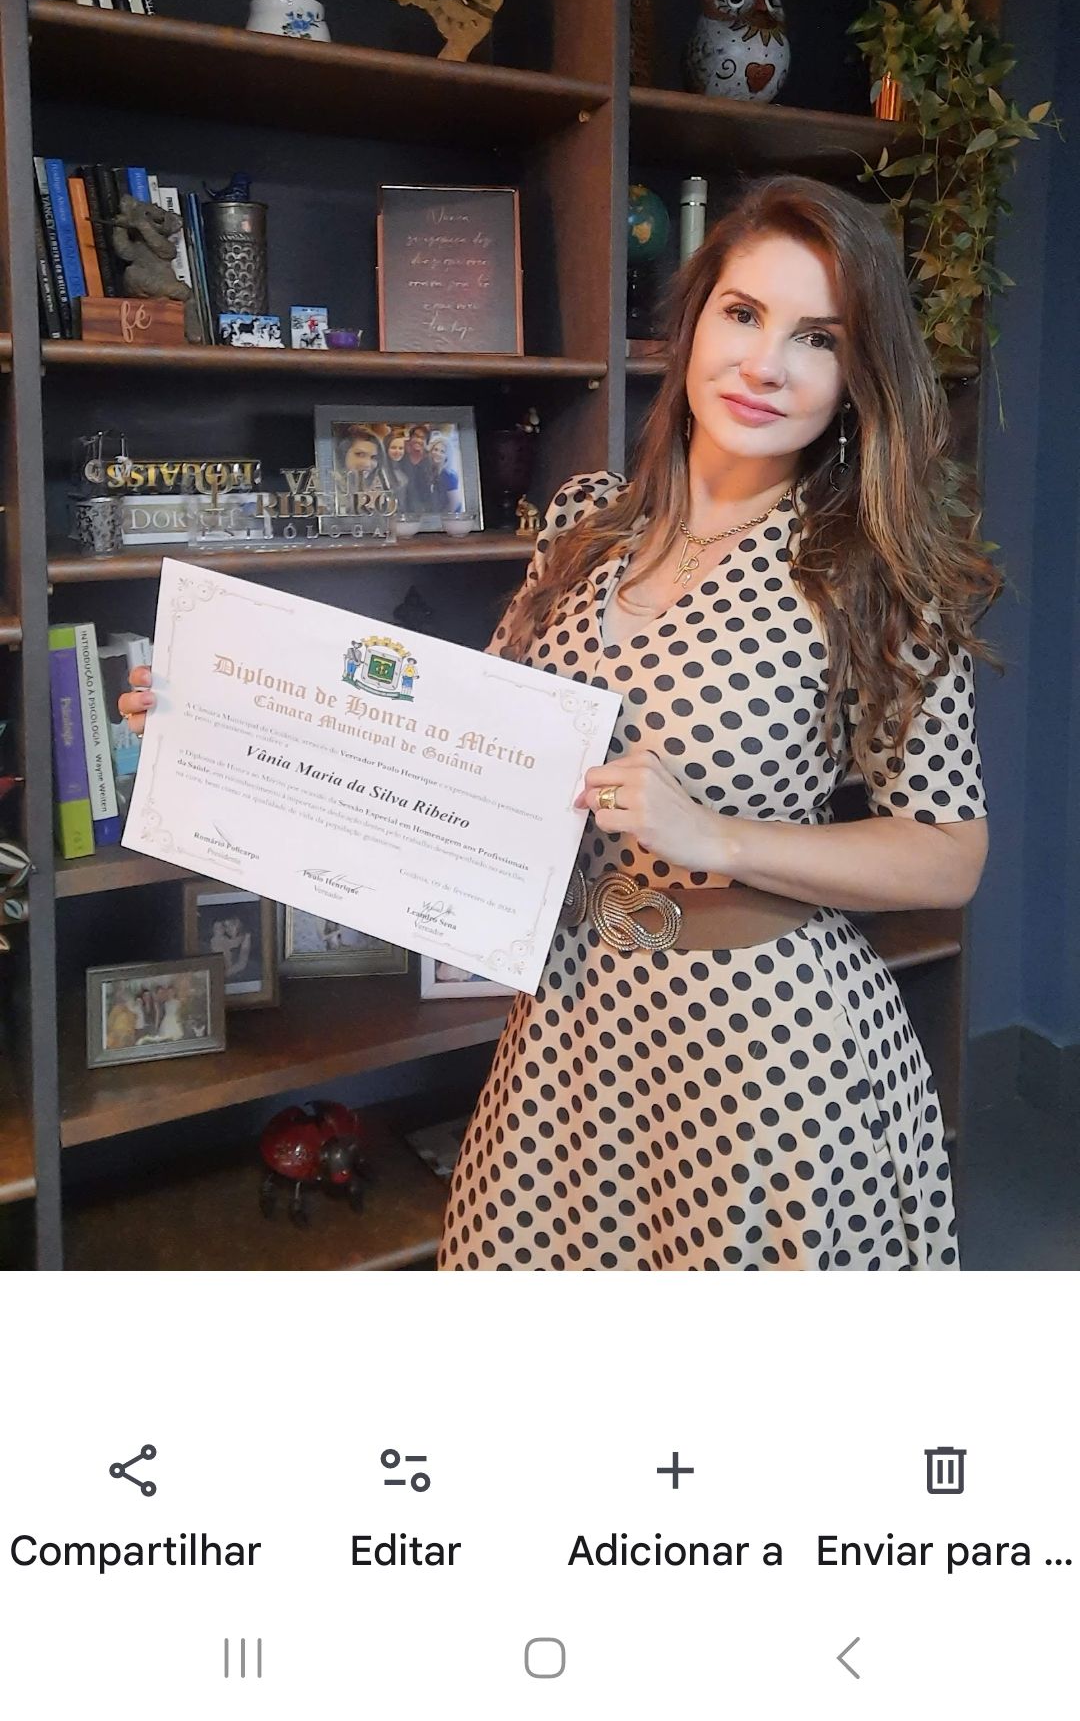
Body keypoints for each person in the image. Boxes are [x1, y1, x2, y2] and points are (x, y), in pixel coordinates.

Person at [120, 174, 997, 1272]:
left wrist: (716, 836)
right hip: (570, 1027)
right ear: (694, 324)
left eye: (817, 338)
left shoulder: (871, 570)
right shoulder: (585, 525)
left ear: (857, 379)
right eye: (743, 313)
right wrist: (221, 729)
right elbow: (449, 754)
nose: (766, 364)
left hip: (766, 1053)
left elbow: (949, 852)